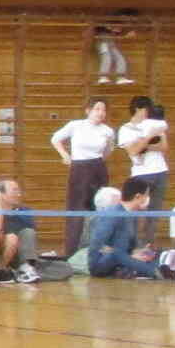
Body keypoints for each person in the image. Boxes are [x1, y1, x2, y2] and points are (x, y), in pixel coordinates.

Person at [51, 98, 116, 257]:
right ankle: (72, 251)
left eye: (103, 110)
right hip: (79, 168)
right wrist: (65, 155)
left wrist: (98, 160)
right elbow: (55, 139)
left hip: (98, 168)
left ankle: (96, 250)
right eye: (97, 109)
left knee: (100, 208)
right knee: (77, 210)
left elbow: (109, 150)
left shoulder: (107, 130)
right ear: (88, 110)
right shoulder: (75, 125)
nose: (100, 113)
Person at [88, 180, 173, 280]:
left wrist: (139, 251)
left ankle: (155, 269)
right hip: (102, 263)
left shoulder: (132, 215)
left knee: (157, 251)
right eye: (146, 195)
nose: (147, 198)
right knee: (116, 254)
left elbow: (130, 246)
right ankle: (154, 272)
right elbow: (98, 246)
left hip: (124, 259)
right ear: (137, 196)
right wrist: (129, 257)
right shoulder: (112, 214)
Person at [118, 97, 170, 240]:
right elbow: (132, 151)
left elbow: (164, 147)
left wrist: (143, 145)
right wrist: (148, 138)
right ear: (138, 109)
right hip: (141, 174)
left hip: (160, 171)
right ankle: (133, 245)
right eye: (147, 109)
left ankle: (149, 244)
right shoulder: (126, 129)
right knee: (137, 211)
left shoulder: (154, 124)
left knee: (155, 212)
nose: (149, 112)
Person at [0, 178, 39, 266]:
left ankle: (26, 267)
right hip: (0, 255)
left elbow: (28, 232)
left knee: (63, 268)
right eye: (14, 190)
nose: (18, 194)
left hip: (21, 254)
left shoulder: (25, 211)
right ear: (0, 194)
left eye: (18, 190)